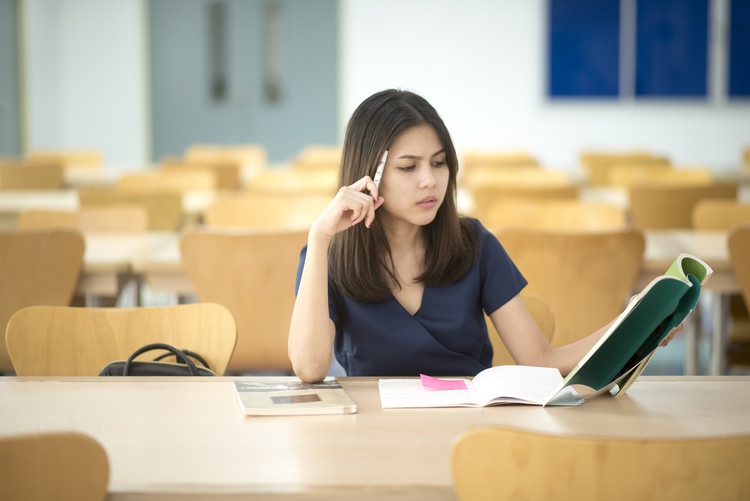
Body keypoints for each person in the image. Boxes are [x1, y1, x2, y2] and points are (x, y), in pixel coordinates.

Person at [288, 89, 679, 383]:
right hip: (374, 437)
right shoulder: (330, 256)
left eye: (439, 163)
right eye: (408, 168)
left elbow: (541, 360)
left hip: (469, 431)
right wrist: (320, 236)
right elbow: (308, 368)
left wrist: (631, 323)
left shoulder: (473, 244)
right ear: (368, 178)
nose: (430, 181)